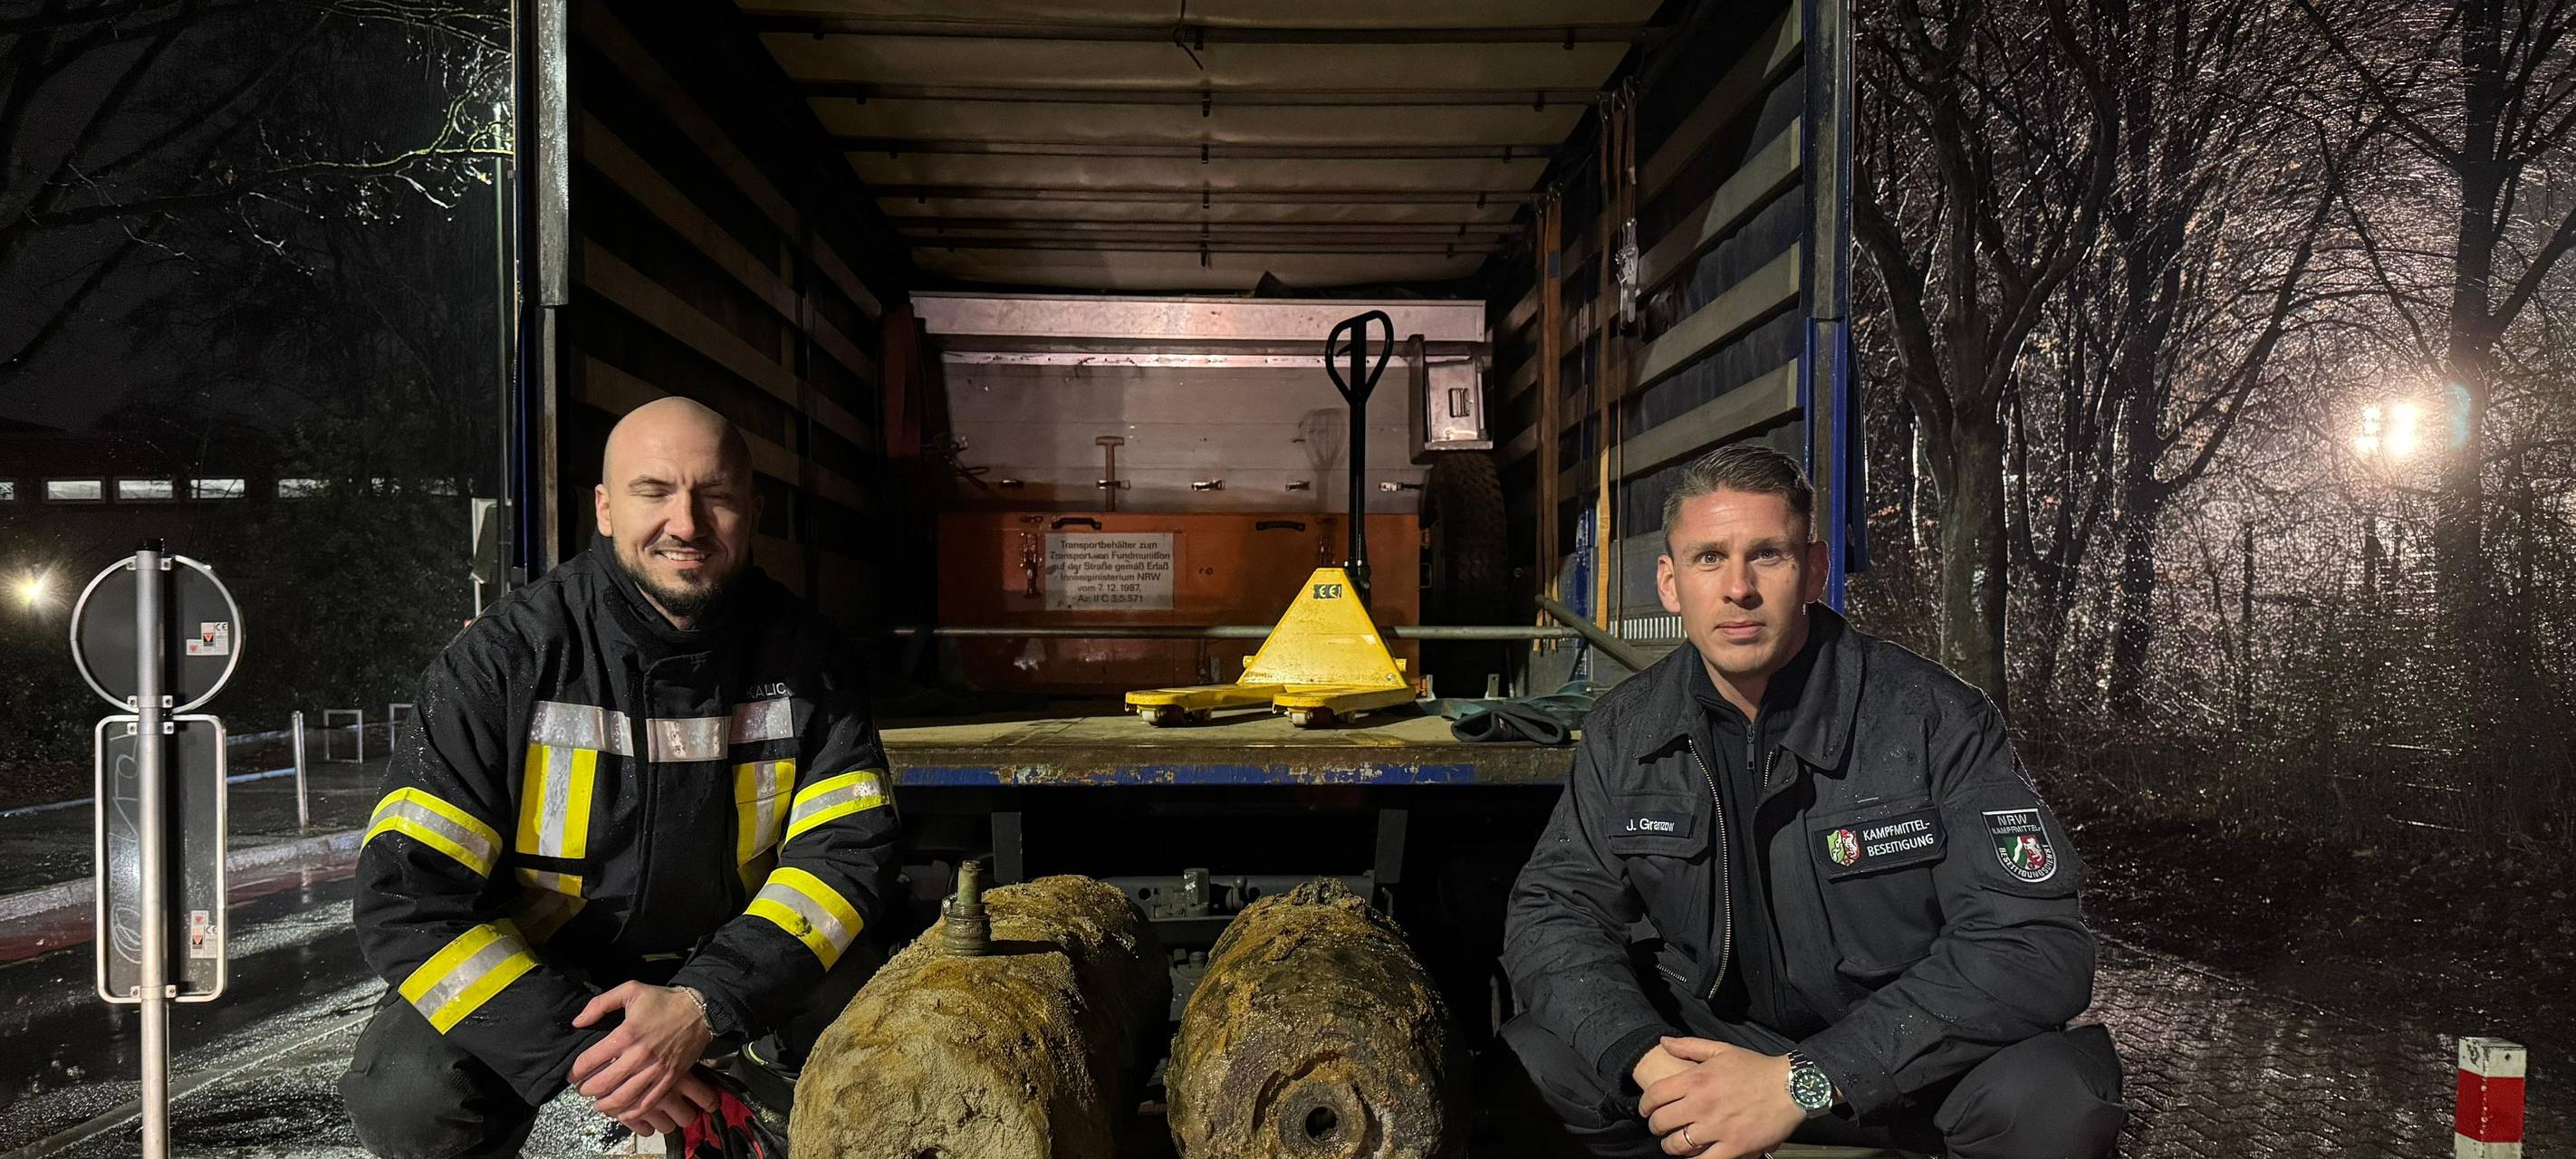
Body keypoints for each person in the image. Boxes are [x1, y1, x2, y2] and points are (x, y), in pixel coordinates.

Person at [1492, 444, 2124, 1158]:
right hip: (1715, 1047)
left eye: (1768, 555)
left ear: (1815, 571)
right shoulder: (1625, 728)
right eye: (1708, 559)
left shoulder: (1932, 719)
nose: (1738, 588)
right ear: (1670, 583)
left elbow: (2032, 945)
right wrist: (1645, 1057)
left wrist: (1807, 1081)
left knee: (2052, 1104)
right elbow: (1555, 910)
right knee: (1541, 1065)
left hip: (1902, 1052)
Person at [341, 398, 897, 1158]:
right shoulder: (504, 661)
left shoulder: (813, 661)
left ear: (753, 511)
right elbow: (409, 896)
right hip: (549, 971)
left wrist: (707, 1002)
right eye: (654, 492)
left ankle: (759, 1122)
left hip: (740, 954)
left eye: (717, 495)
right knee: (410, 1095)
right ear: (604, 508)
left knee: (890, 1046)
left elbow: (843, 860)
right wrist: (598, 1050)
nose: (688, 523)